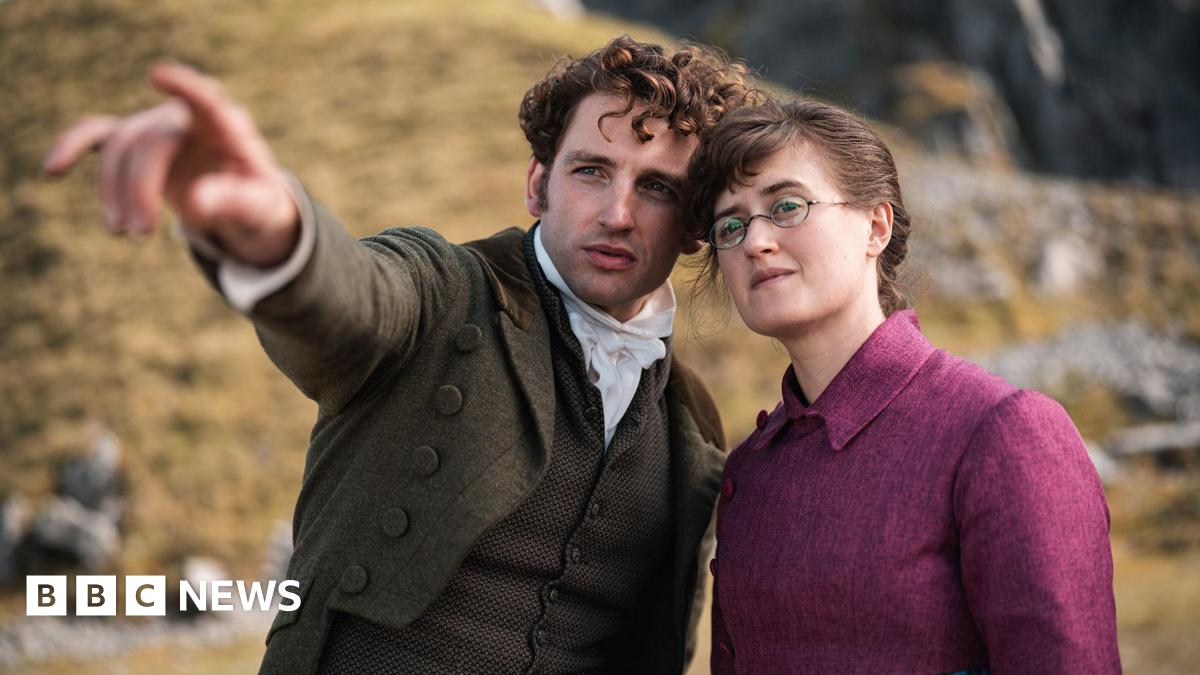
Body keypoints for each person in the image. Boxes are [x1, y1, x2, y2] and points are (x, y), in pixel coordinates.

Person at [44, 36, 754, 674]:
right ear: (538, 183)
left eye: (656, 187)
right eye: (592, 171)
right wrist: (275, 233)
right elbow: (352, 296)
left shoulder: (690, 427)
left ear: (695, 224)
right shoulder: (444, 292)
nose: (618, 212)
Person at [687, 99, 1121, 673]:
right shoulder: (751, 470)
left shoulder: (1002, 431)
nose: (754, 242)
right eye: (731, 225)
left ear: (876, 225)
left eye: (787, 206)